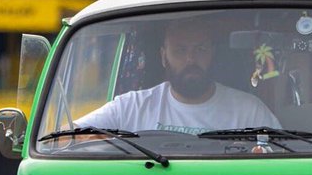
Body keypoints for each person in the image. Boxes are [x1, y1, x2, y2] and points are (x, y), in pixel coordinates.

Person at [75, 21, 280, 135]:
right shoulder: (131, 107)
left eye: (200, 49)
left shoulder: (249, 111)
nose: (191, 59)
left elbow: (282, 158)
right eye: (180, 50)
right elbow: (65, 139)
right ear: (164, 57)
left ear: (212, 53)